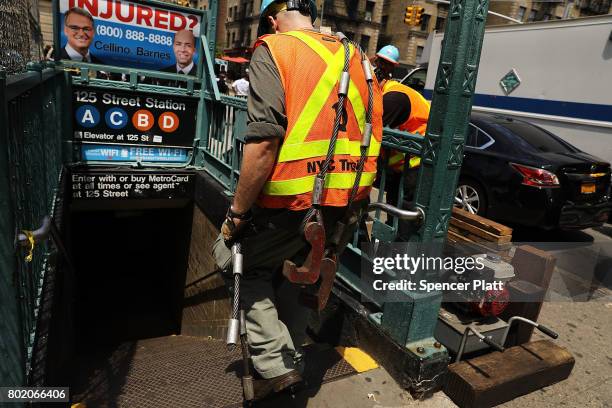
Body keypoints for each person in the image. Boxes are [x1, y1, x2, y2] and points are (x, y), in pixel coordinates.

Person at [212, 0, 382, 400]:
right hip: (347, 198)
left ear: (272, 19)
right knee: (304, 273)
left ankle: (275, 366)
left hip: (291, 201)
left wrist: (236, 214)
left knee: (235, 262)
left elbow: (265, 142)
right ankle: (295, 360)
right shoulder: (355, 54)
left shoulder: (275, 48)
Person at [372, 45, 430, 207]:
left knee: (404, 215)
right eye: (379, 62)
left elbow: (371, 130)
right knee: (393, 210)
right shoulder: (387, 93)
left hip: (416, 165)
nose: (381, 66)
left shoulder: (393, 98)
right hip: (402, 165)